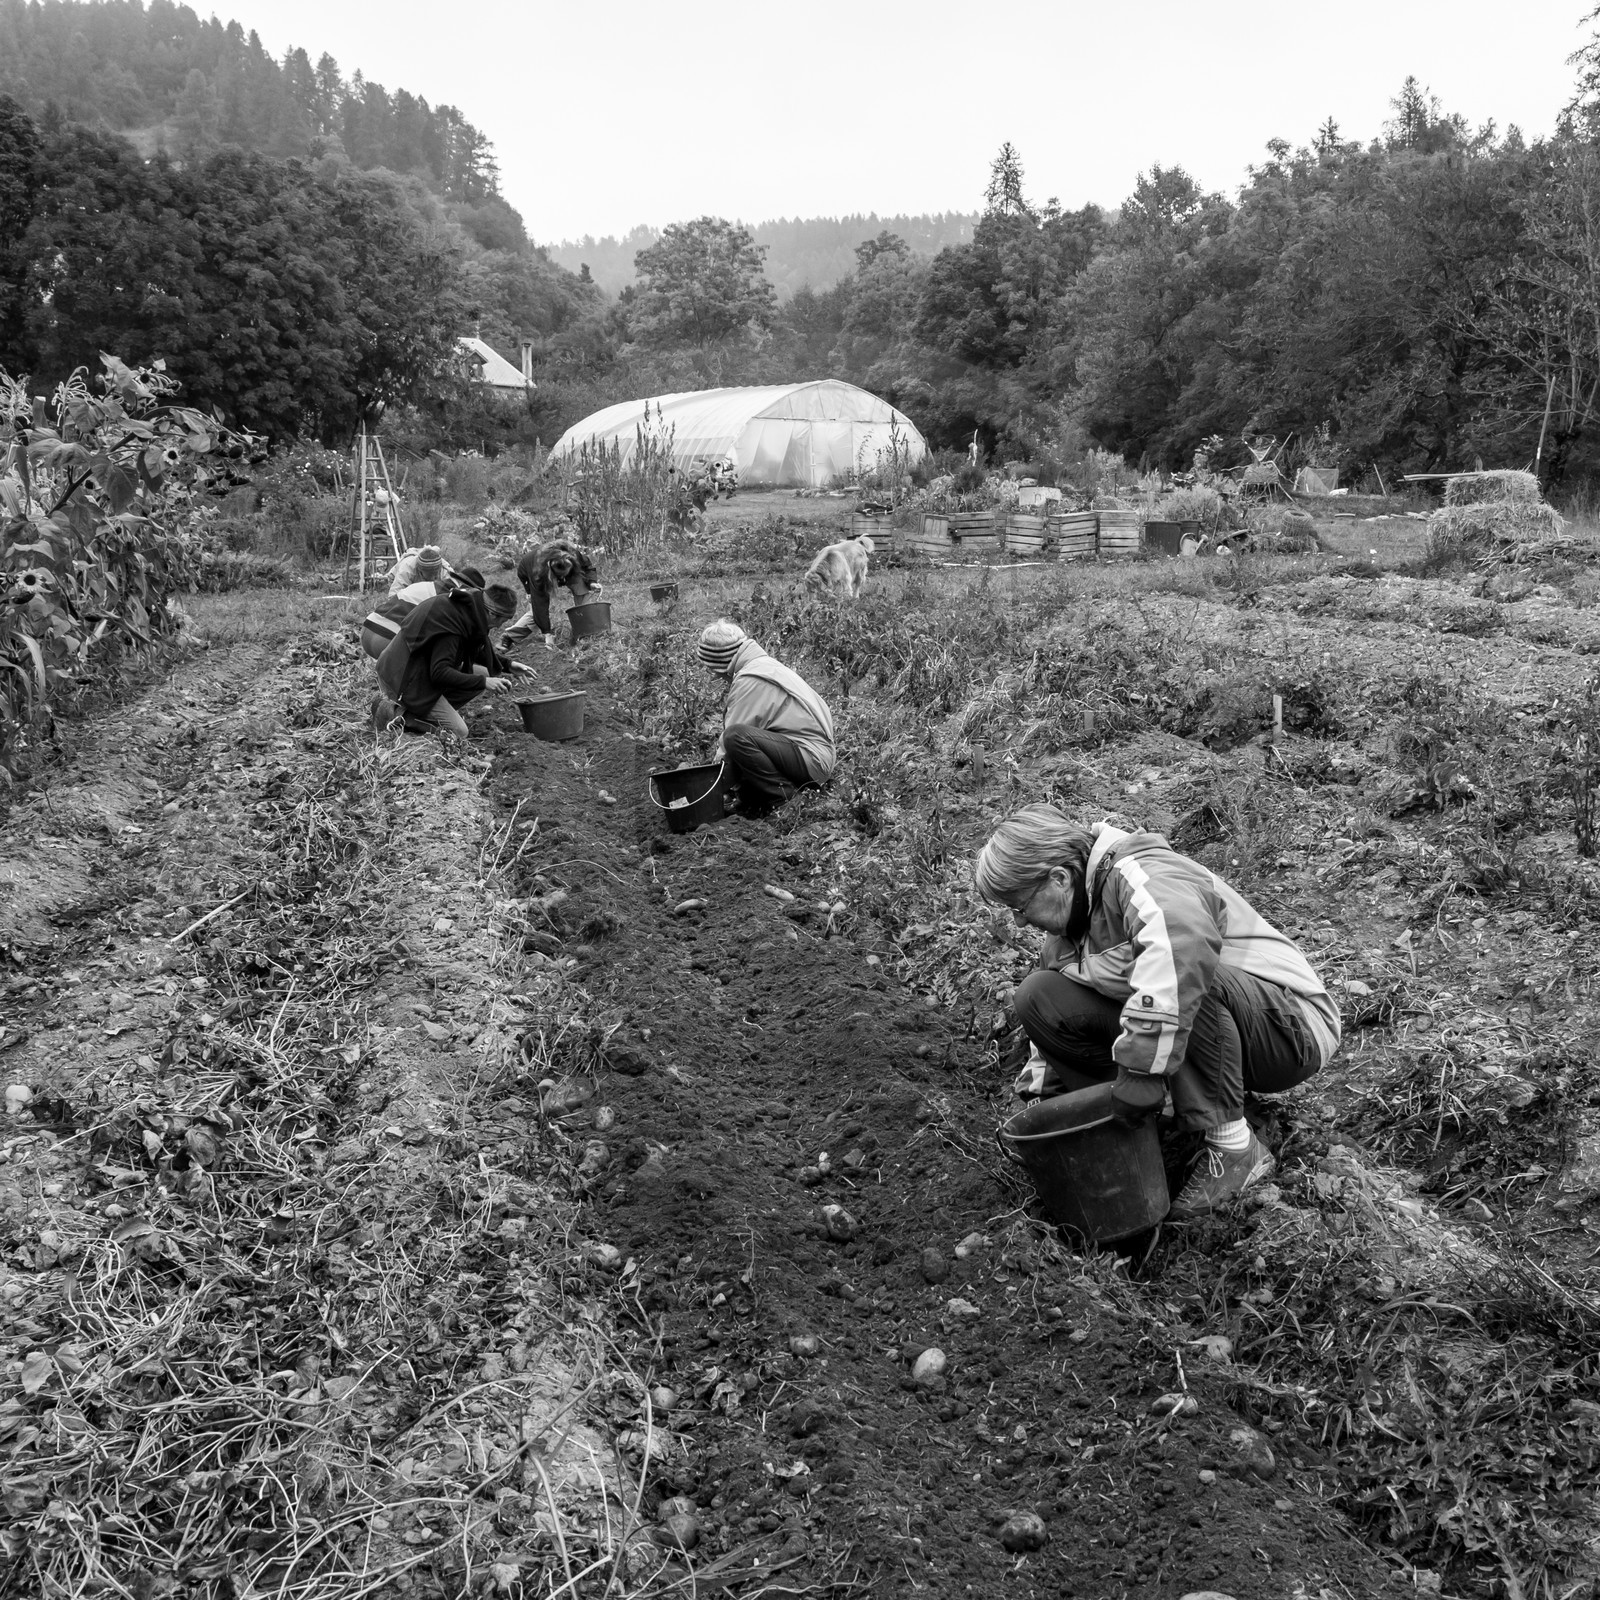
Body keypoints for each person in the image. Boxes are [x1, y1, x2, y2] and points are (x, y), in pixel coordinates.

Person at [973, 805, 1340, 1219]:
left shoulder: (1141, 873)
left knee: (1177, 964)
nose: (1020, 923)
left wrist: (1141, 1071)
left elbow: (1184, 949)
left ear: (1059, 879)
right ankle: (1144, 1131)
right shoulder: (1063, 937)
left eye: (1020, 907)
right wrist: (1046, 1114)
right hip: (1229, 1032)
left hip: (1289, 1029)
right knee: (1040, 993)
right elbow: (1048, 1033)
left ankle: (1234, 1145)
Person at [697, 620, 835, 814]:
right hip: (814, 754)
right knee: (746, 741)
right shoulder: (763, 665)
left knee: (736, 737)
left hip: (811, 760)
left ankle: (784, 799)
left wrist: (708, 786)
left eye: (713, 670)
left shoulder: (749, 679)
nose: (716, 677)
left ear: (720, 662)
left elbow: (730, 745)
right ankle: (755, 800)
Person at [372, 582, 519, 737]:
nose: (499, 626)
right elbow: (440, 672)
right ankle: (401, 715)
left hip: (418, 668)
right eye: (502, 621)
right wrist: (484, 682)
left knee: (483, 673)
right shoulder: (452, 625)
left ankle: (427, 711)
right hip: (401, 677)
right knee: (459, 732)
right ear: (492, 614)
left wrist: (509, 665)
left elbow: (479, 649)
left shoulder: (470, 608)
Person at [359, 566, 486, 661]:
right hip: (387, 638)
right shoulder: (450, 598)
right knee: (432, 673)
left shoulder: (426, 586)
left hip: (367, 630)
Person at [503, 537, 601, 650]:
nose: (563, 579)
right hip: (527, 572)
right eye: (560, 577)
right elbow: (540, 606)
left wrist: (592, 582)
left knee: (582, 586)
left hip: (563, 570)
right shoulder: (538, 572)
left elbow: (587, 567)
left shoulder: (573, 554)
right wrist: (547, 633)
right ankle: (509, 636)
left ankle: (585, 631)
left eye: (565, 576)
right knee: (536, 612)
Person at [387, 544, 451, 594]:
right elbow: (394, 595)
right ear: (420, 570)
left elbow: (454, 593)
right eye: (430, 574)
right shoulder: (407, 569)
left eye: (436, 574)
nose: (433, 578)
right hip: (399, 582)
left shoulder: (445, 571)